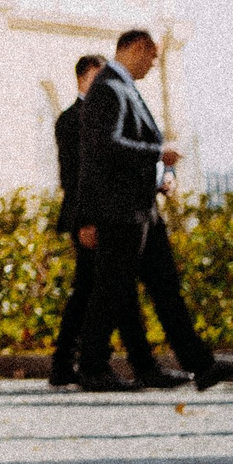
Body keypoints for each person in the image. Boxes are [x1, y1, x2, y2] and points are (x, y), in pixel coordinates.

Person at [75, 28, 223, 392]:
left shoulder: (121, 86)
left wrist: (161, 173)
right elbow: (104, 148)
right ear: (138, 48)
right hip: (121, 212)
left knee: (165, 286)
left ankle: (201, 365)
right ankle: (92, 367)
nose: (154, 65)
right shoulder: (108, 88)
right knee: (111, 290)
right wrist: (158, 155)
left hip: (142, 208)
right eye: (152, 57)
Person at [51, 54, 155, 389]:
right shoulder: (72, 120)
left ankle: (76, 365)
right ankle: (75, 365)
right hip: (90, 218)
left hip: (108, 215)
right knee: (91, 291)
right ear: (84, 79)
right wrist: (86, 221)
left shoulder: (98, 115)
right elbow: (75, 177)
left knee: (105, 291)